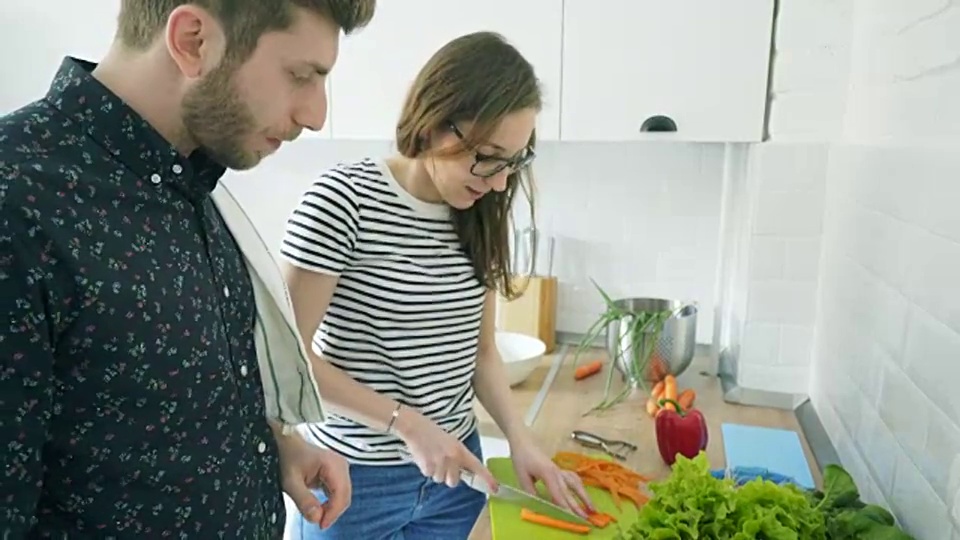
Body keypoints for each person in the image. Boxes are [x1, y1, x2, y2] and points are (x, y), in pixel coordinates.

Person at [0, 1, 375, 537]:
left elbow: (153, 406)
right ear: (194, 40)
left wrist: (267, 449)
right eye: (301, 76)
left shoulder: (191, 182)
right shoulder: (17, 203)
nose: (315, 113)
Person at [279, 31, 596, 540]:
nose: (498, 182)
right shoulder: (342, 203)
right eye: (489, 156)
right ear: (434, 121)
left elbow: (482, 351)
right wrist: (406, 424)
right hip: (351, 479)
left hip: (457, 474)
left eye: (512, 162)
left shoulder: (482, 211)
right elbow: (287, 360)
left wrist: (520, 439)